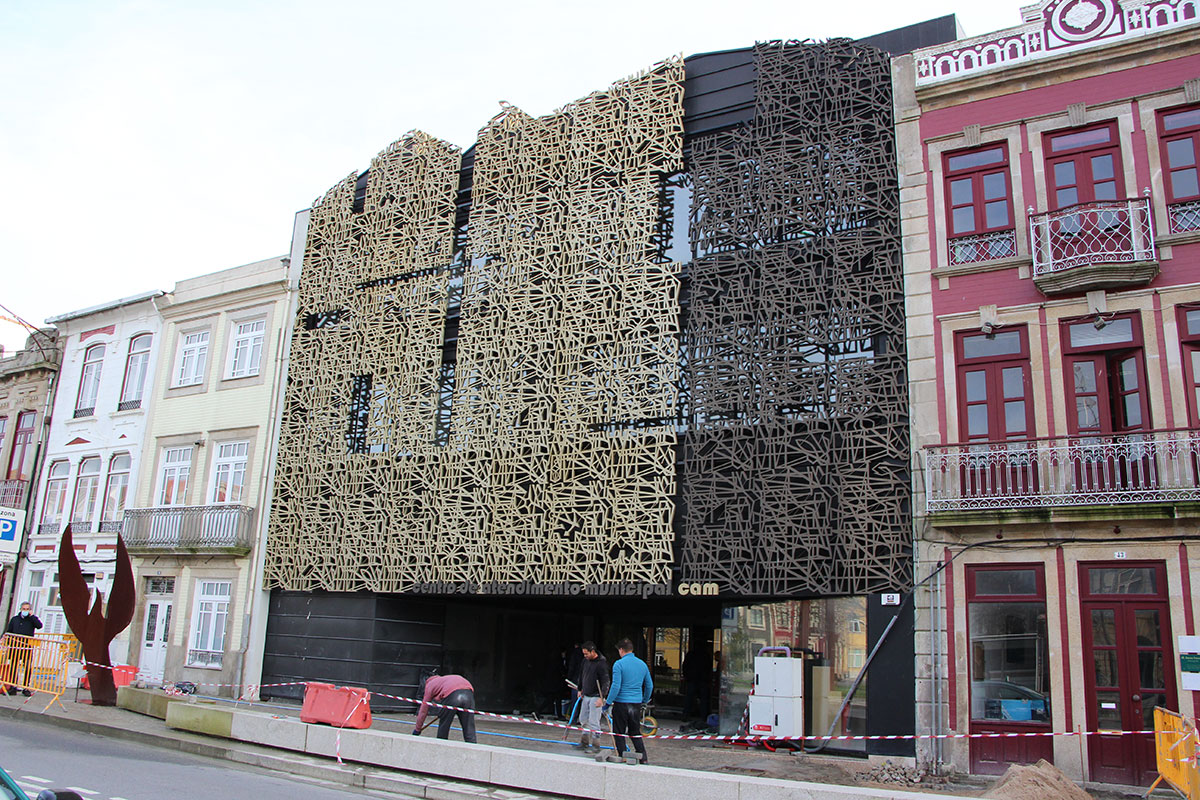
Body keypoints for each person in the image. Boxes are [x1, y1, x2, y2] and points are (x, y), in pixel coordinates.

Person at [603, 638, 653, 764]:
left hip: (621, 703)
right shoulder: (642, 664)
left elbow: (616, 686)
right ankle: (643, 757)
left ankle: (622, 755)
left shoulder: (619, 664)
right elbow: (649, 686)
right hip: (636, 703)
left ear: (621, 650)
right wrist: (644, 701)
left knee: (619, 732)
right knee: (635, 731)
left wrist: (608, 703)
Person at [412, 673, 477, 743]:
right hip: (468, 694)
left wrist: (417, 729)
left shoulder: (429, 685)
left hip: (452, 695)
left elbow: (423, 709)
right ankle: (473, 747)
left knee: (444, 726)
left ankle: (441, 745)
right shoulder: (443, 680)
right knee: (468, 727)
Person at [575, 641, 609, 750]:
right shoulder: (585, 661)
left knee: (594, 720)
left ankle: (596, 744)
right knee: (583, 719)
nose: (585, 656)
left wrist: (602, 697)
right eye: (584, 654)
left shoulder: (601, 663)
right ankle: (584, 742)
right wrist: (580, 689)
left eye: (586, 654)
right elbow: (581, 675)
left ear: (593, 651)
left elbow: (605, 681)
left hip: (596, 695)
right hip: (586, 694)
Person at [4, 602, 42, 697]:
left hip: (26, 647)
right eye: (24, 609)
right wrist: (6, 642)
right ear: (20, 609)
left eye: (27, 609)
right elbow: (9, 631)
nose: (25, 611)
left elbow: (39, 626)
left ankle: (26, 687)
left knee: (27, 667)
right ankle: (13, 687)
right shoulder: (15, 619)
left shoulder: (32, 620)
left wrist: (32, 616)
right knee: (13, 667)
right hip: (15, 647)